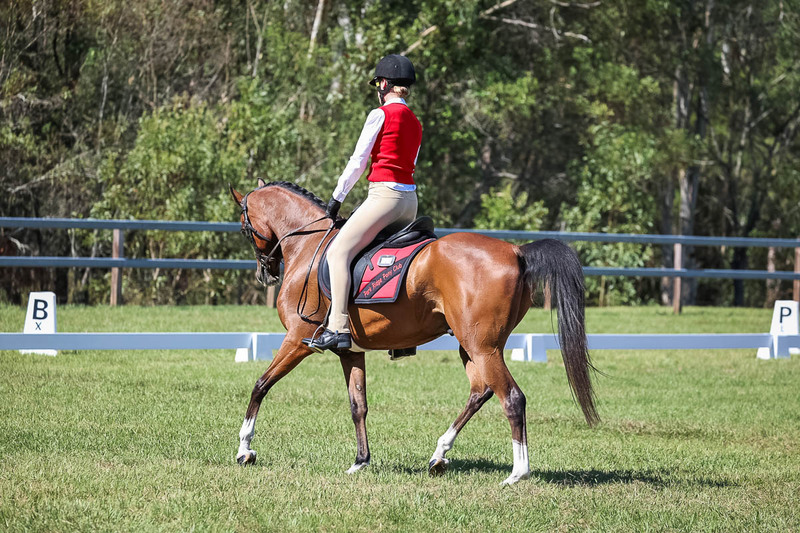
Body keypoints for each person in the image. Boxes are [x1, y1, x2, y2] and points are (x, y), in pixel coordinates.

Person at [304, 54, 422, 352]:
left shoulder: (379, 115)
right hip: (410, 201)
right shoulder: (416, 123)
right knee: (390, 260)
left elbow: (359, 161)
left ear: (384, 84)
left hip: (385, 197)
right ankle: (402, 337)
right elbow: (412, 163)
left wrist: (336, 198)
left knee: (339, 252)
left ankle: (338, 327)